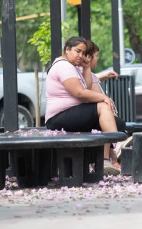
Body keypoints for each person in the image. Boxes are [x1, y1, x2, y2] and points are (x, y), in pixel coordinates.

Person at [45, 37, 125, 175]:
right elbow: (80, 93)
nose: (80, 56)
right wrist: (104, 98)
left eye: (83, 53)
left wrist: (86, 67)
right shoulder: (63, 66)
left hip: (71, 114)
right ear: (67, 49)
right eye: (77, 51)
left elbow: (86, 87)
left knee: (117, 122)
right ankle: (113, 148)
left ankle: (107, 155)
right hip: (58, 117)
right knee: (102, 107)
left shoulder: (73, 67)